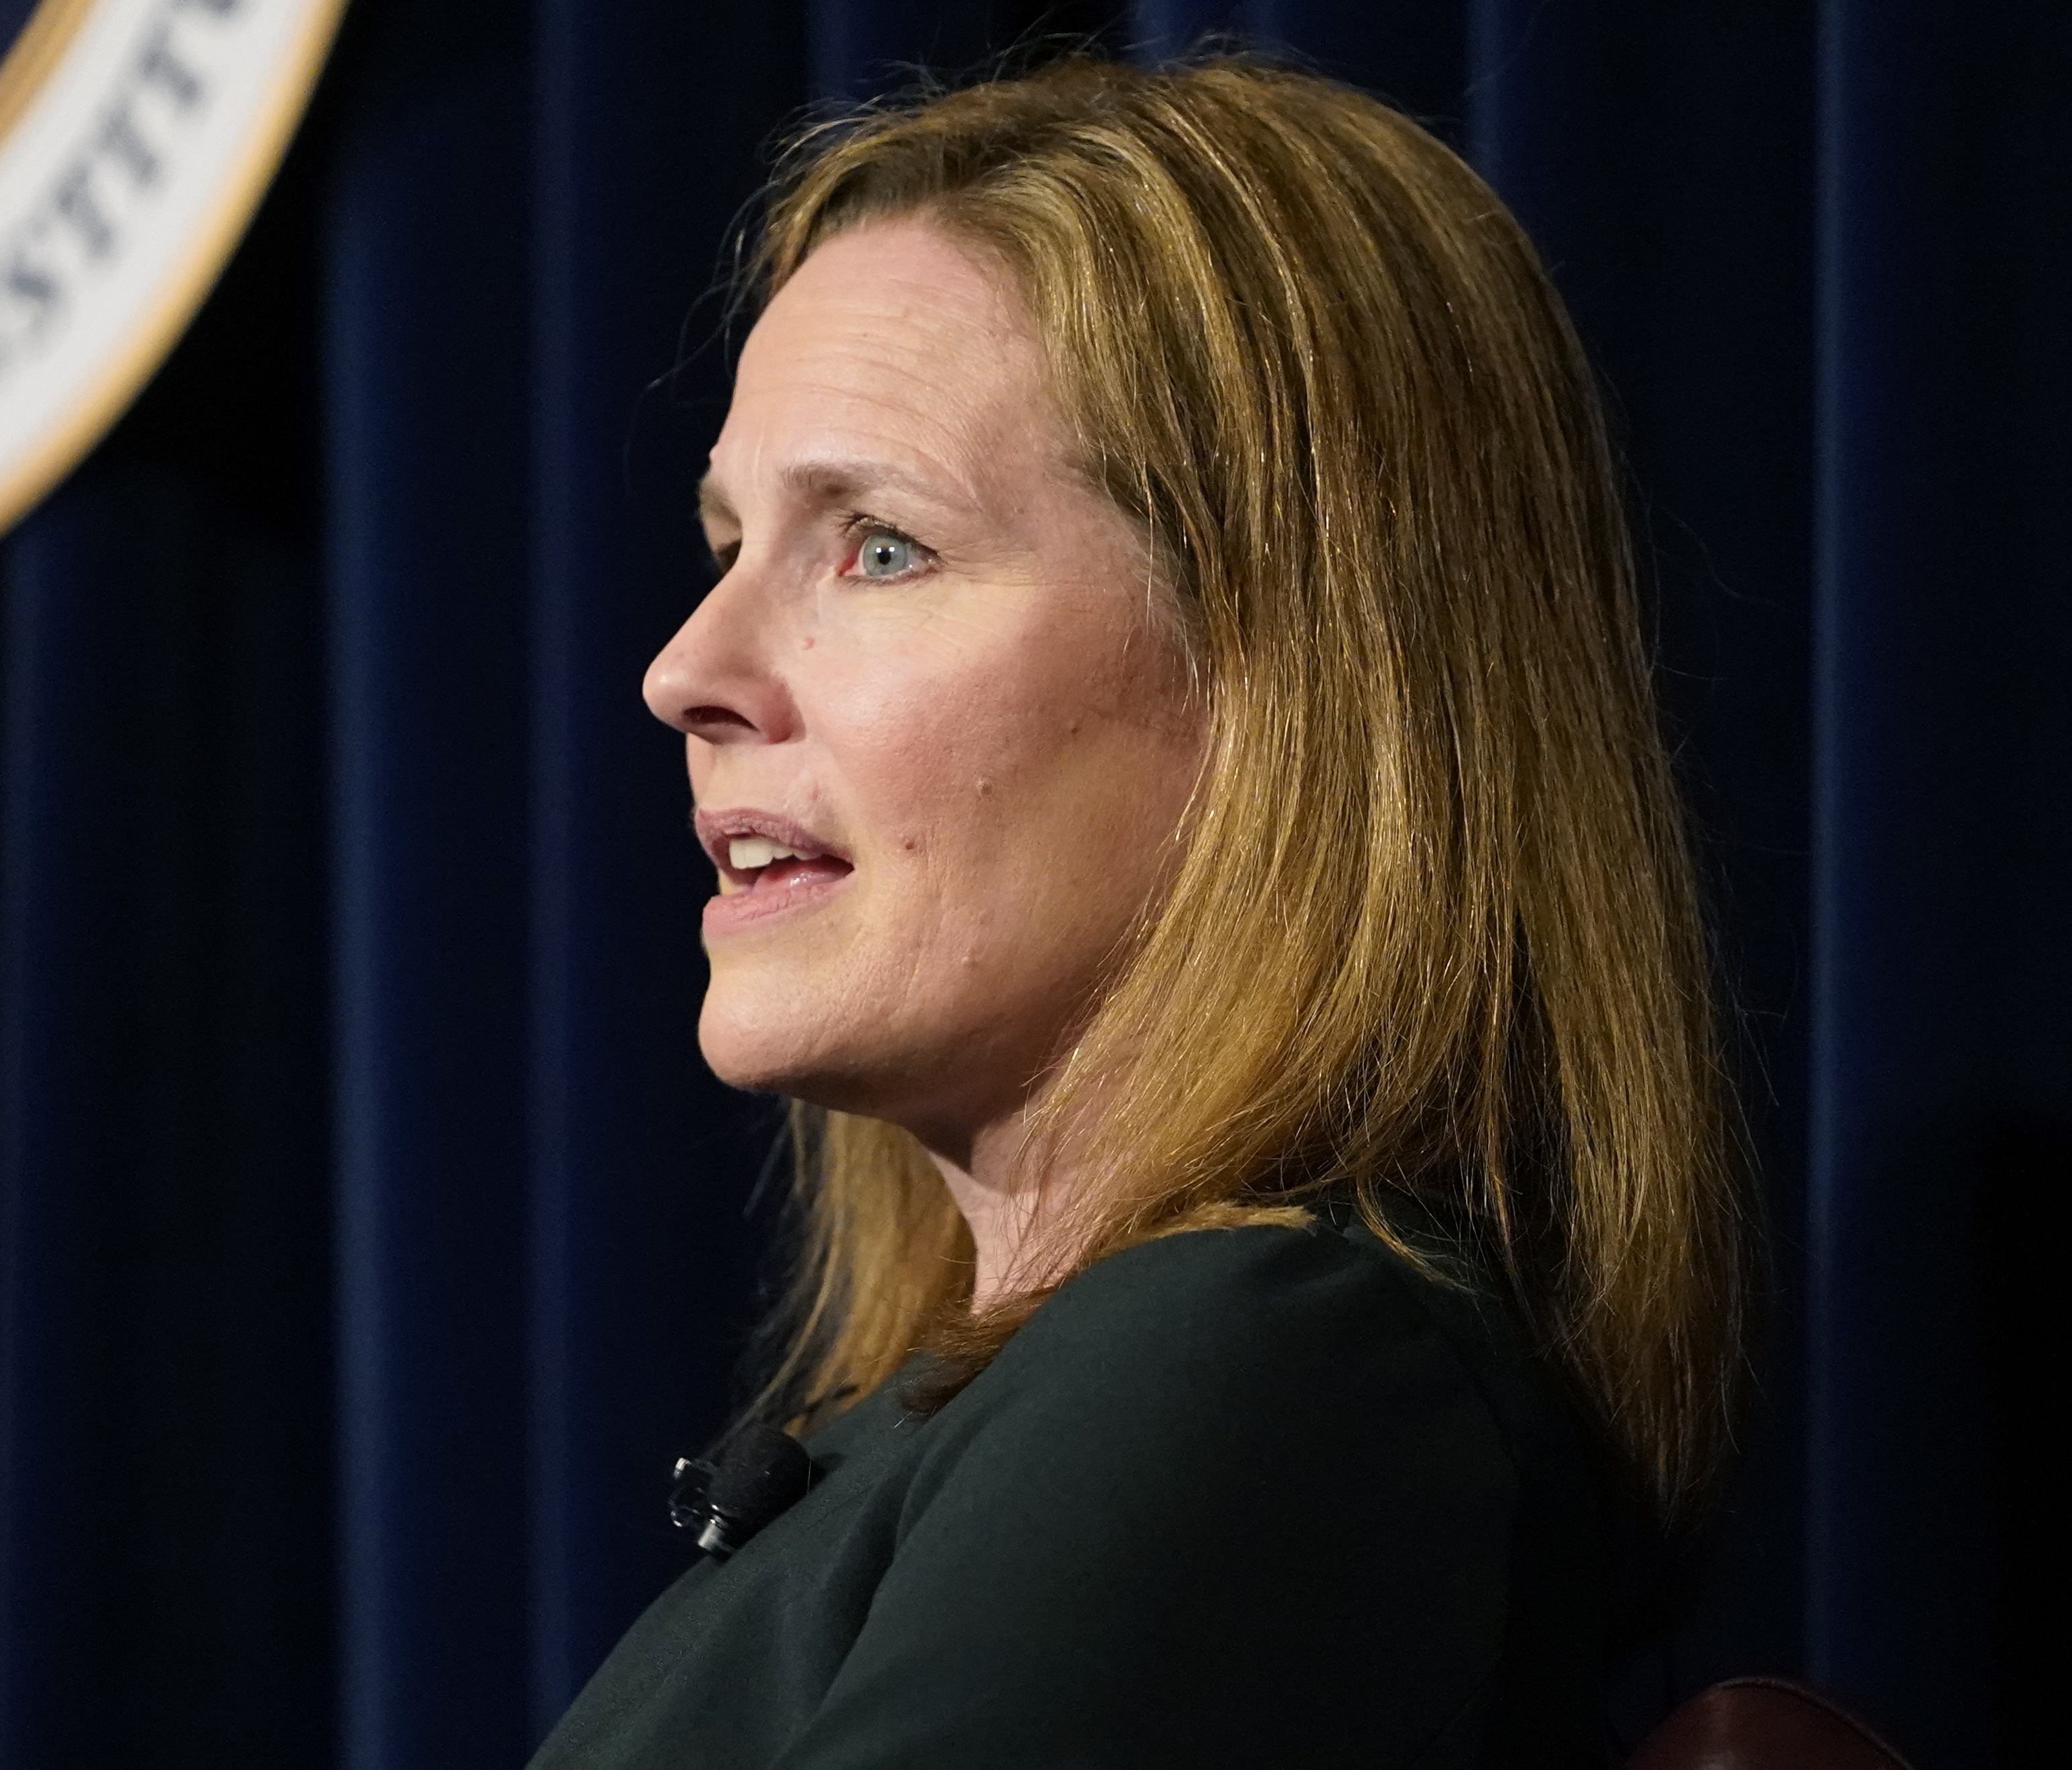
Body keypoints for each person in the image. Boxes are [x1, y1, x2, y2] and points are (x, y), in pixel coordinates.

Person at [531, 51, 1749, 1769]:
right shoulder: (1035, 1405)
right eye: (725, 542)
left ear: (1288, 677)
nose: (684, 673)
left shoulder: (1259, 1376)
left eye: (877, 545)